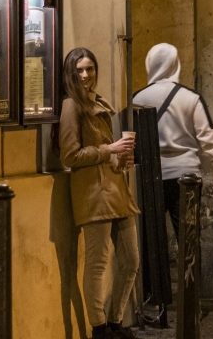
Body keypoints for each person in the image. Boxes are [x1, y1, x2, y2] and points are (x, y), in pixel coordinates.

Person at [56, 48, 140, 339]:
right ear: (70, 73)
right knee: (97, 262)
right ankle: (100, 328)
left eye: (89, 69)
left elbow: (106, 151)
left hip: (115, 187)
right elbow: (70, 154)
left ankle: (116, 321)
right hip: (93, 193)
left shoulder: (98, 100)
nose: (85, 75)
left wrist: (121, 157)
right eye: (79, 70)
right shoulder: (71, 105)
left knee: (131, 260)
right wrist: (109, 150)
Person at [134, 43, 213, 237]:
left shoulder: (137, 99)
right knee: (189, 238)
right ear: (175, 64)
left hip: (151, 178)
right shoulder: (190, 98)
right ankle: (189, 269)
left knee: (152, 240)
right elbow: (208, 137)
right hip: (187, 176)